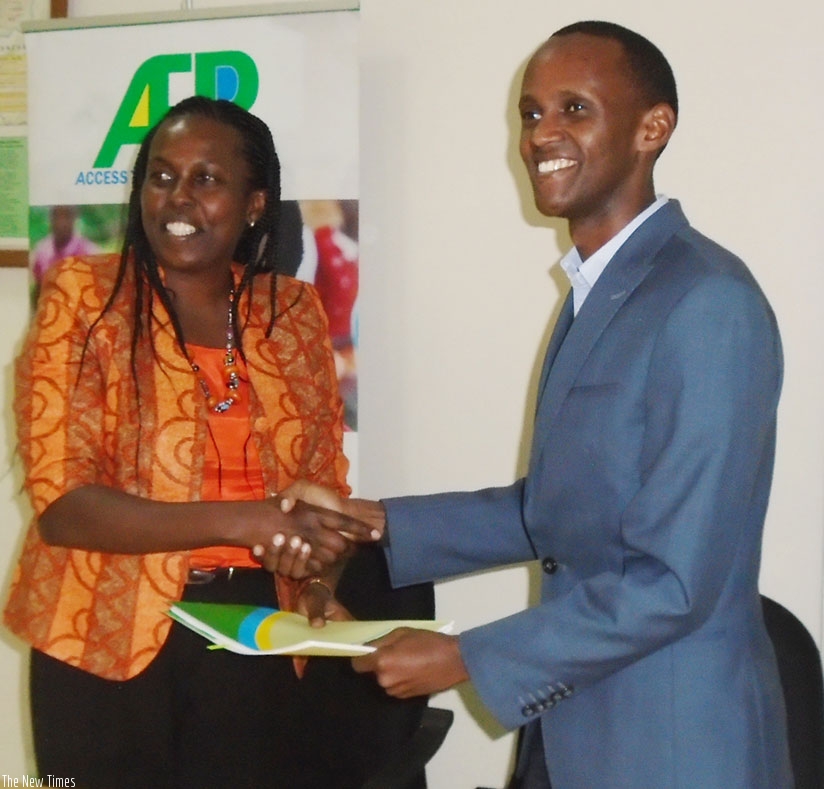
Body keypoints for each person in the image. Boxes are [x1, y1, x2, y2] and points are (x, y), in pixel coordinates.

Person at [274, 21, 794, 789]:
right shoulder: (599, 289)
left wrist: (465, 656)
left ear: (653, 128)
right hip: (576, 729)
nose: (542, 134)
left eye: (574, 110)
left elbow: (677, 579)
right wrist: (377, 520)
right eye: (531, 113)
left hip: (672, 746)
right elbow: (565, 509)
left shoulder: (707, 301)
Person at [2, 96, 397, 788]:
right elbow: (64, 503)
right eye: (162, 176)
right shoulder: (82, 296)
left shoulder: (293, 313)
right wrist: (250, 517)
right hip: (98, 636)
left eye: (207, 179)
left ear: (254, 204)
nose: (178, 197)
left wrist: (313, 580)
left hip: (253, 635)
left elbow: (319, 483)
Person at [30, 204, 99, 300]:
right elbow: (38, 290)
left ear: (74, 218)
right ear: (50, 219)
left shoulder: (90, 252)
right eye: (56, 216)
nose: (61, 222)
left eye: (67, 216)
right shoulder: (42, 251)